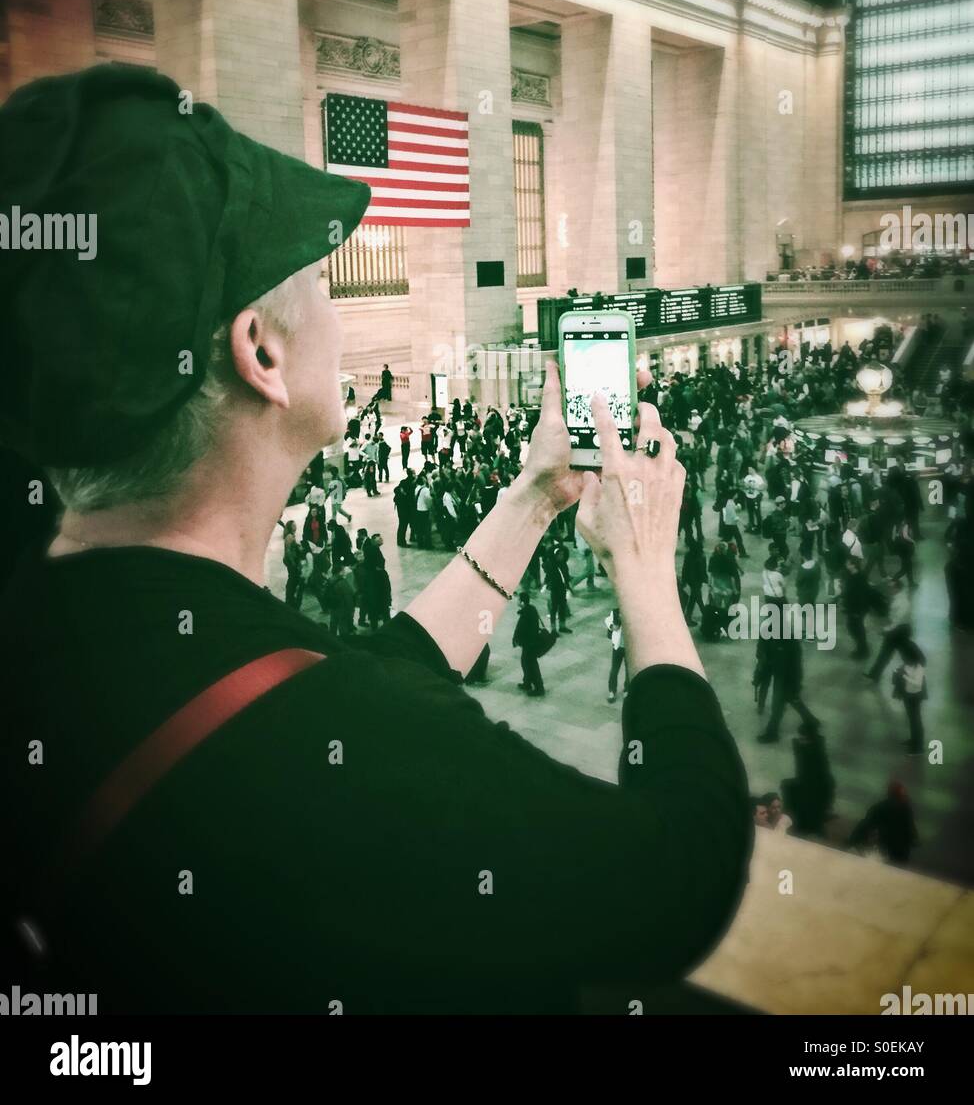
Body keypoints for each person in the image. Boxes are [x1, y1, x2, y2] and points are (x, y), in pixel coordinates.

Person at [0, 66, 751, 1015]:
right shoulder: (355, 764)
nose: (339, 309)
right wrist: (644, 570)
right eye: (317, 276)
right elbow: (682, 872)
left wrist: (530, 502)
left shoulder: (53, 617)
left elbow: (338, 677)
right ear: (259, 354)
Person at [848, 782, 919, 867]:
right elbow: (910, 829)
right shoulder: (905, 810)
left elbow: (865, 825)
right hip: (897, 849)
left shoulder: (882, 807)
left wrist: (852, 840)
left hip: (888, 847)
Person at [893, 638, 927, 756]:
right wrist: (899, 671)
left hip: (915, 696)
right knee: (912, 719)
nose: (902, 658)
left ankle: (918, 748)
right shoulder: (909, 663)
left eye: (904, 656)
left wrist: (904, 676)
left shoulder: (919, 667)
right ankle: (914, 739)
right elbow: (905, 670)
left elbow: (918, 683)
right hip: (908, 694)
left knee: (915, 720)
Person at [513, 593, 547, 697]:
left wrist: (517, 639)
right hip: (529, 643)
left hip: (530, 644)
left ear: (522, 602)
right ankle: (527, 682)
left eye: (518, 599)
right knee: (525, 662)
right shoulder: (530, 609)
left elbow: (523, 629)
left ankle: (539, 688)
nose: (517, 601)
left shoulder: (527, 613)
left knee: (531, 665)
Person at [605, 607, 628, 703]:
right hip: (618, 647)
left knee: (629, 670)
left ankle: (627, 689)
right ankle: (612, 691)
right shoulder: (615, 612)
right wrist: (611, 626)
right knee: (614, 669)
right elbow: (607, 620)